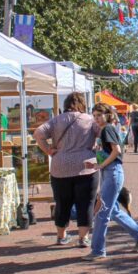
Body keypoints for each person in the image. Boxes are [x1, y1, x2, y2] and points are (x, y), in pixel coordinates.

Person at [36, 92, 100, 247]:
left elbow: (38, 133)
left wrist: (48, 150)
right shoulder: (89, 119)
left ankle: (61, 236)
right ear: (82, 104)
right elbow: (103, 134)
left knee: (62, 202)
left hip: (60, 167)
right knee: (86, 203)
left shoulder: (56, 120)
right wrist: (96, 147)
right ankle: (83, 238)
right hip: (86, 166)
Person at [85, 104, 138, 259]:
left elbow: (116, 151)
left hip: (112, 172)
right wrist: (97, 164)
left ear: (107, 114)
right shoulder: (106, 129)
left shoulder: (107, 129)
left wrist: (100, 165)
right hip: (109, 172)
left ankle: (98, 250)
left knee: (102, 212)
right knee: (113, 211)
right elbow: (109, 153)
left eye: (99, 115)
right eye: (94, 116)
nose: (96, 118)